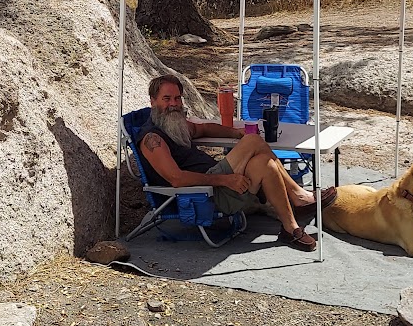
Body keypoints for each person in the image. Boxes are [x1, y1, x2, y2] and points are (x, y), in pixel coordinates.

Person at [137, 75, 335, 252]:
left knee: (266, 163)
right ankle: (298, 196)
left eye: (177, 98)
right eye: (167, 99)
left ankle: (290, 227)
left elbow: (203, 129)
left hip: (215, 182)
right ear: (153, 101)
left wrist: (235, 133)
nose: (174, 103)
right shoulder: (152, 139)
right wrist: (224, 180)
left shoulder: (173, 124)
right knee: (252, 140)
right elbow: (177, 179)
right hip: (203, 194)